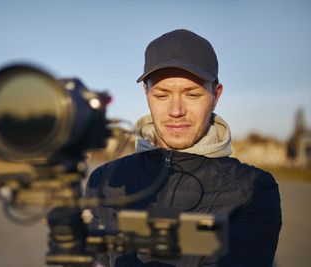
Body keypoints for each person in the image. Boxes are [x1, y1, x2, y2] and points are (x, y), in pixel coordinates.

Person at [85, 29, 282, 267]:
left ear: (215, 95)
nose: (176, 111)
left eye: (192, 94)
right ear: (146, 93)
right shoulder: (105, 180)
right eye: (162, 95)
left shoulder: (253, 190)